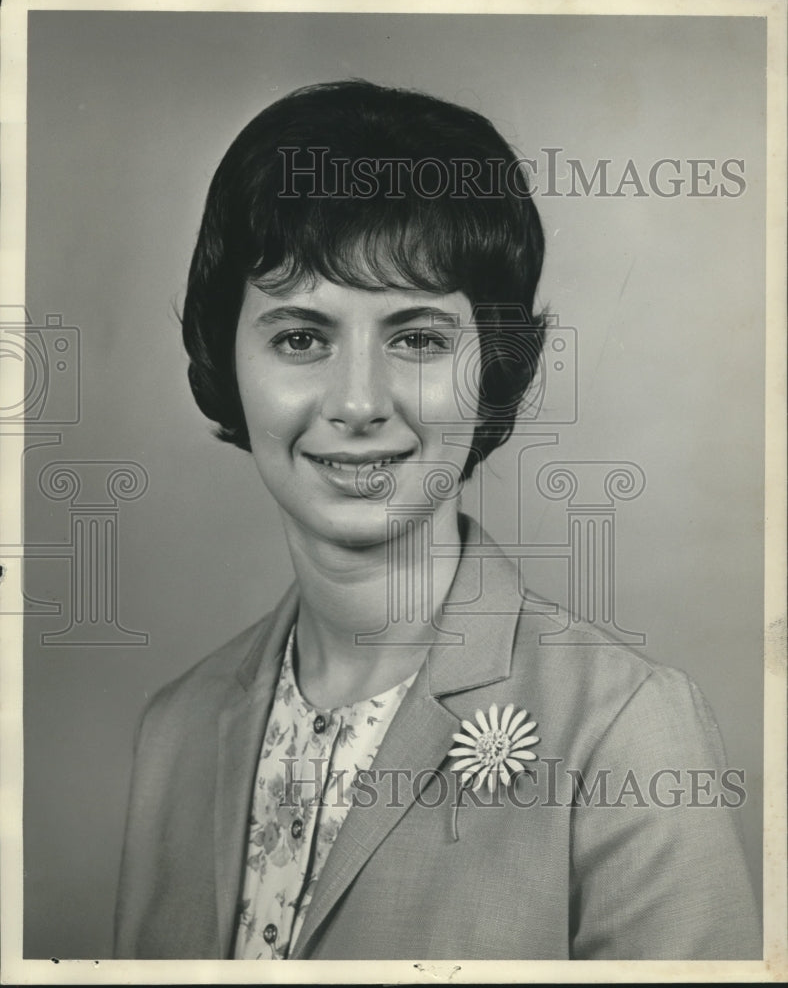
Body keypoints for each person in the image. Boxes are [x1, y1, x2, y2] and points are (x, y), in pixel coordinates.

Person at [114, 80, 760, 960]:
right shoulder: (175, 733)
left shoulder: (626, 729)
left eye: (417, 338)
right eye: (301, 337)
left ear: (493, 366)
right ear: (225, 355)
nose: (356, 403)